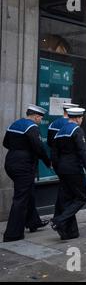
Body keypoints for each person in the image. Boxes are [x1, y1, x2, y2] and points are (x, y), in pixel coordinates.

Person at [2, 104, 52, 242]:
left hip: (10, 163)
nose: (40, 121)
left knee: (28, 192)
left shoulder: (15, 124)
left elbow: (5, 143)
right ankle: (12, 234)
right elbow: (39, 148)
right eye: (40, 118)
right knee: (20, 199)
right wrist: (48, 162)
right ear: (36, 116)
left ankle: (33, 222)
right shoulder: (32, 127)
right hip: (24, 166)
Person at [50, 107, 86, 240]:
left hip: (62, 170)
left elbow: (54, 154)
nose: (81, 120)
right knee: (82, 198)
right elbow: (83, 153)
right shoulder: (77, 130)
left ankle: (70, 232)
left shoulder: (60, 132)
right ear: (77, 118)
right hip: (74, 169)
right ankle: (59, 220)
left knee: (67, 199)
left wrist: (58, 170)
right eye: (81, 118)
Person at [47, 102, 79, 220]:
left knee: (63, 190)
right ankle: (62, 219)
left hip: (57, 160)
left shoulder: (53, 123)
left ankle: (60, 218)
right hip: (70, 163)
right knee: (69, 193)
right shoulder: (73, 125)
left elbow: (50, 143)